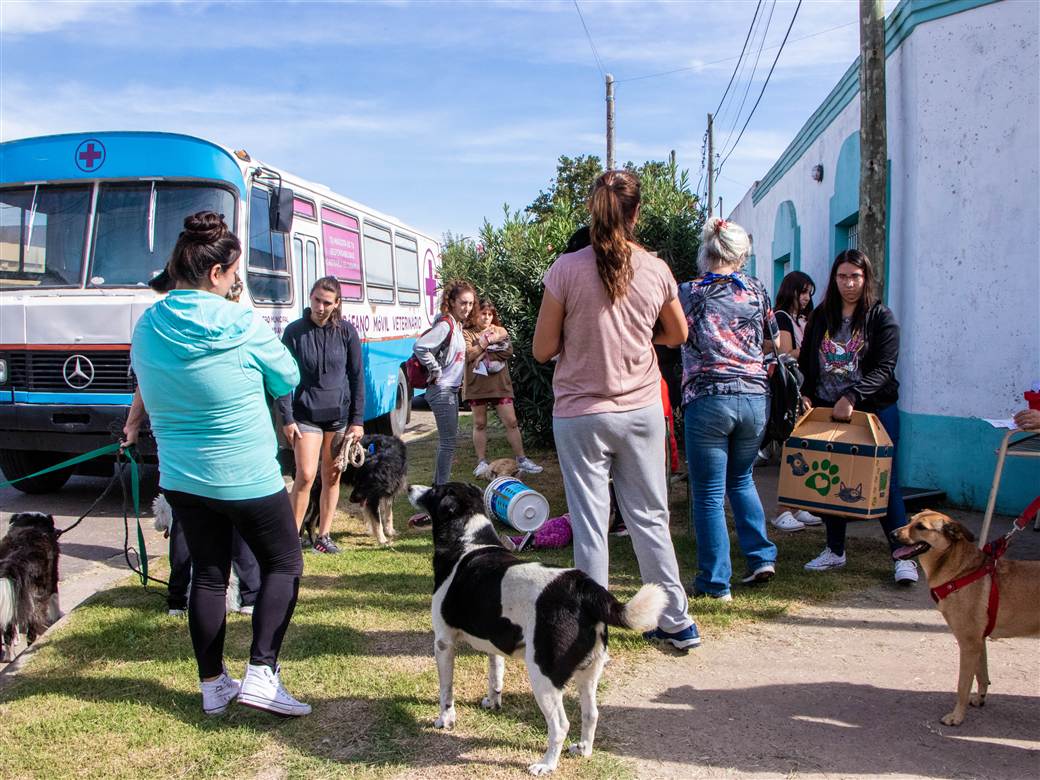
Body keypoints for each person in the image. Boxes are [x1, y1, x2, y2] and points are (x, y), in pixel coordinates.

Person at [125, 211, 310, 718]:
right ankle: (261, 673)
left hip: (183, 476)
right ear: (216, 275)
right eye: (234, 275)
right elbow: (287, 374)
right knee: (284, 562)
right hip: (246, 473)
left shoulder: (147, 325)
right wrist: (238, 312)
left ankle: (214, 686)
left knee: (208, 574)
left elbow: (145, 379)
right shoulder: (240, 321)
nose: (236, 284)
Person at [533, 170, 701, 651]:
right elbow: (678, 335)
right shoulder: (656, 269)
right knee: (650, 517)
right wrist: (637, 339)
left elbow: (542, 349)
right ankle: (676, 621)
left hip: (581, 413)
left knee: (590, 522)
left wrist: (582, 340)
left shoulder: (565, 270)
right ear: (636, 213)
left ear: (592, 210)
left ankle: (590, 629)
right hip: (641, 408)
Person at [799, 249, 917, 585]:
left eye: (855, 276)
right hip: (828, 411)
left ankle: (902, 555)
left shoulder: (881, 317)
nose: (848, 283)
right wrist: (806, 391)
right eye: (842, 276)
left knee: (885, 483)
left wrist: (852, 396)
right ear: (833, 278)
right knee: (832, 479)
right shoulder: (822, 315)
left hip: (874, 411)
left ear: (866, 279)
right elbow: (809, 358)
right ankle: (834, 550)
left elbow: (884, 368)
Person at [679, 217, 779, 602]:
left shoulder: (687, 292)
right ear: (740, 256)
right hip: (755, 397)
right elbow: (773, 338)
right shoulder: (756, 289)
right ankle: (760, 557)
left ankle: (715, 582)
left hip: (708, 397)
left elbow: (672, 335)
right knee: (742, 479)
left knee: (707, 494)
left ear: (706, 252)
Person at [278, 277, 366, 554]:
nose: (320, 306)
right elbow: (281, 379)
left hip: (339, 416)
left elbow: (357, 377)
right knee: (304, 476)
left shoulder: (347, 332)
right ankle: (291, 539)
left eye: (327, 302)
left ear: (337, 304)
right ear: (310, 297)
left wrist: (358, 420)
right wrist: (287, 418)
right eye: (316, 299)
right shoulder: (294, 332)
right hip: (305, 415)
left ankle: (324, 536)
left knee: (332, 477)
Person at [769, 270, 823, 533]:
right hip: (792, 391)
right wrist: (813, 349)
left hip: (805, 390)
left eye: (809, 293)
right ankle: (782, 510)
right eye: (802, 291)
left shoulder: (803, 318)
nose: (806, 298)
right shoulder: (782, 318)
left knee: (805, 451)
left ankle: (798, 504)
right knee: (794, 451)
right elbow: (786, 354)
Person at [465, 298, 542, 478]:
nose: (486, 317)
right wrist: (488, 345)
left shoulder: (500, 330)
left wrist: (482, 349)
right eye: (482, 313)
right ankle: (482, 462)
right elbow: (468, 355)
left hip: (500, 385)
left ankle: (522, 459)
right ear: (475, 314)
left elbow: (507, 351)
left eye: (489, 314)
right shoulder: (466, 333)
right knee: (479, 423)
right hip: (476, 385)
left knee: (512, 422)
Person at [413, 279, 475, 485]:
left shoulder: (457, 325)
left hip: (450, 389)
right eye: (463, 303)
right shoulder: (445, 324)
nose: (467, 308)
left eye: (471, 303)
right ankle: (440, 488)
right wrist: (435, 369)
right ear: (452, 302)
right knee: (448, 443)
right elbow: (420, 346)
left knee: (448, 442)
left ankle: (440, 486)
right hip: (442, 390)